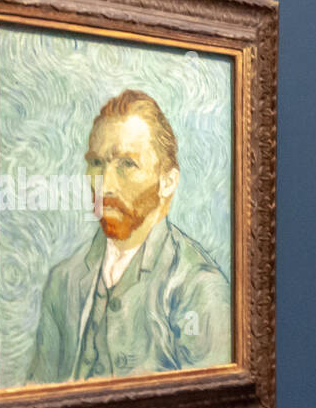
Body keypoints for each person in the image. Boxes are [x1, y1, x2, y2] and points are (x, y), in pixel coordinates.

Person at [27, 89, 231, 385]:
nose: (105, 185)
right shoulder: (64, 281)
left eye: (127, 164)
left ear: (167, 182)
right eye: (97, 163)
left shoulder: (199, 289)